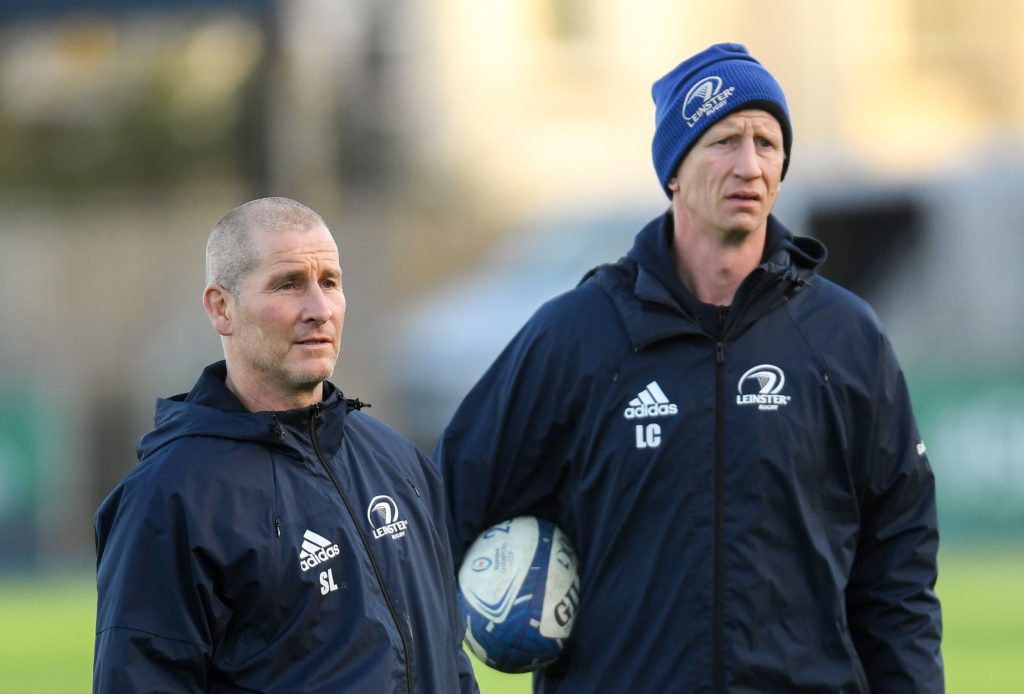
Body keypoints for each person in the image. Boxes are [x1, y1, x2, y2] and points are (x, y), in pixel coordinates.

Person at [436, 43, 943, 692]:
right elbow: (437, 522)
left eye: (767, 142)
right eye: (725, 140)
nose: (750, 166)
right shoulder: (576, 336)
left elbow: (897, 569)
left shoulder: (845, 339)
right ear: (674, 168)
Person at [94, 197, 478, 693]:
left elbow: (451, 660)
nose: (318, 310)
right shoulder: (170, 497)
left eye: (330, 283)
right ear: (221, 308)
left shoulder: (399, 462)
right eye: (288, 284)